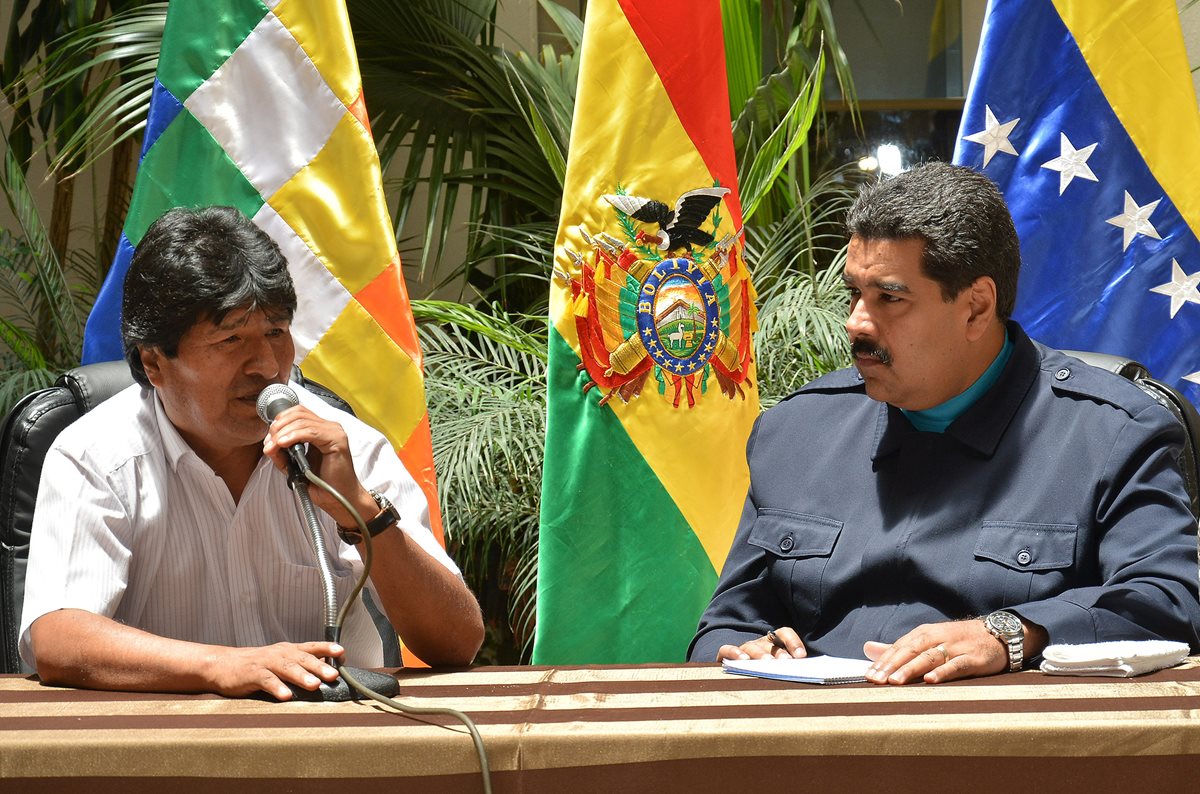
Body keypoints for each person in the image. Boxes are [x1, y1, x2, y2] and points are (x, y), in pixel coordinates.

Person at [689, 162, 1200, 683]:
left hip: (1006, 746)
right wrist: (746, 651)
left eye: (890, 298)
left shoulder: (1111, 432)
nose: (856, 323)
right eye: (854, 294)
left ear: (976, 308)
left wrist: (1013, 634)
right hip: (816, 744)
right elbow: (723, 626)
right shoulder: (796, 431)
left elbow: (1168, 601)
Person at [19, 206, 484, 699]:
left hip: (335, 746)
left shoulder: (347, 446)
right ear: (155, 362)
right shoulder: (96, 456)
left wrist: (361, 512)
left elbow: (455, 644)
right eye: (231, 339)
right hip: (168, 753)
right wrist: (223, 666)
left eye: (276, 333)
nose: (266, 365)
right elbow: (59, 640)